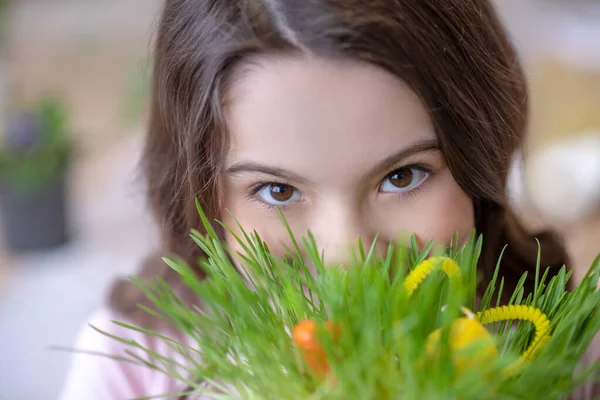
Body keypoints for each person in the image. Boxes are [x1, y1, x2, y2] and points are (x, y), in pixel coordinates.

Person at [59, 0, 589, 398]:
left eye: (403, 176)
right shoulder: (130, 363)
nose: (346, 256)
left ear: (483, 157)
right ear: (196, 191)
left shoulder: (571, 353)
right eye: (277, 190)